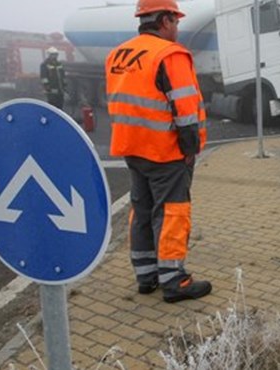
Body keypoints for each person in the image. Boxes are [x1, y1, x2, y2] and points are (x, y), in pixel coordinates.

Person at [105, 0, 211, 303]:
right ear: (164, 20)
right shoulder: (170, 54)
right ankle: (174, 279)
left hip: (132, 147)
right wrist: (190, 149)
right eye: (175, 21)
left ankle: (146, 275)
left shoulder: (118, 54)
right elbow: (186, 108)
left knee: (142, 210)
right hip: (165, 151)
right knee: (172, 212)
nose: (177, 27)